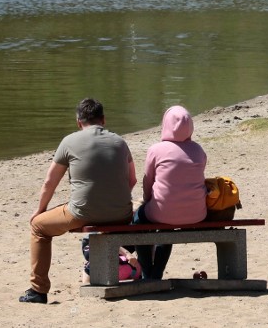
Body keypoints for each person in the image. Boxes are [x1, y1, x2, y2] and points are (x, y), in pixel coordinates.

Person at [20, 98, 136, 304]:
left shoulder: (69, 141)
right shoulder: (120, 142)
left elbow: (49, 183)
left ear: (78, 122)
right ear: (104, 120)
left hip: (83, 212)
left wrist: (40, 210)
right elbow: (132, 180)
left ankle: (38, 290)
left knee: (38, 227)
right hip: (122, 213)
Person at [132, 105, 207, 280]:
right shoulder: (198, 150)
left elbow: (147, 181)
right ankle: (156, 273)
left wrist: (147, 200)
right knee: (168, 226)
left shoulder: (156, 150)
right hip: (197, 213)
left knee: (137, 223)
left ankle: (147, 273)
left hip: (163, 211)